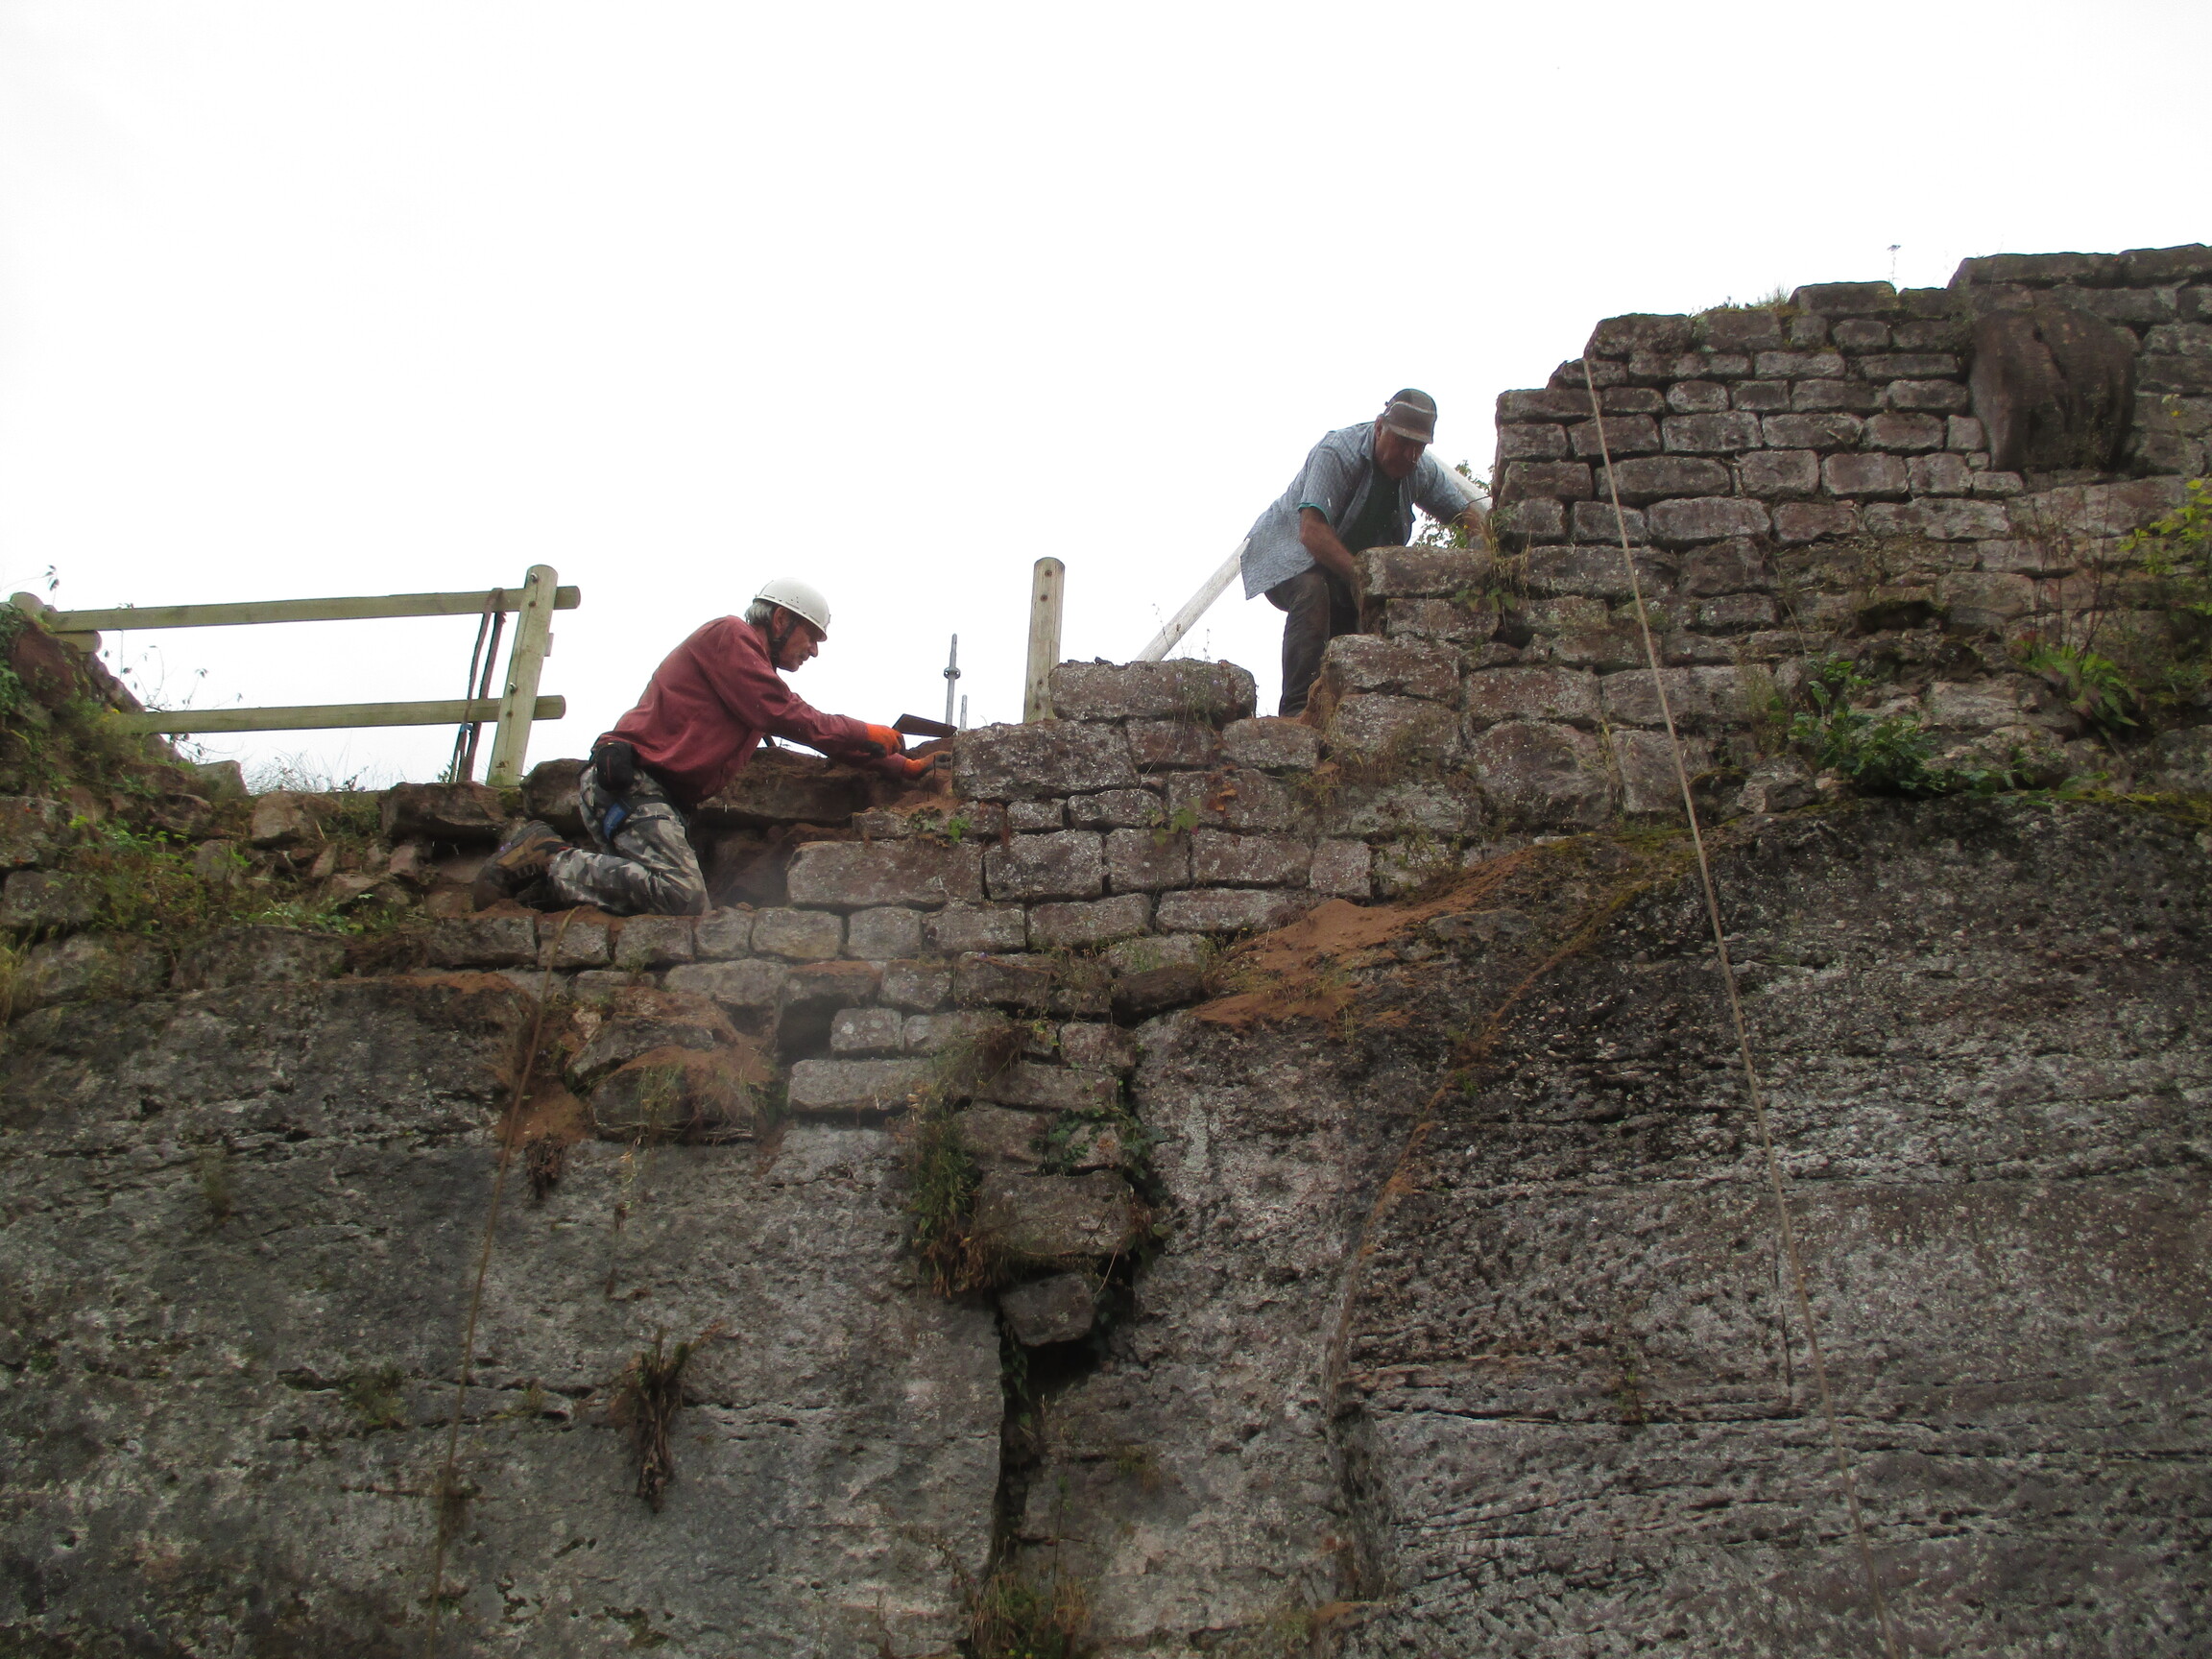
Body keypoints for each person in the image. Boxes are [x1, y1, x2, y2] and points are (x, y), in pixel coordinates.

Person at [473, 577, 928, 916]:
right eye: (810, 636)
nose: (813, 650)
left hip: (653, 803)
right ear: (781, 620)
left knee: (658, 894)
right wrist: (862, 731)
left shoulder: (752, 678)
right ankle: (548, 857)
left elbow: (810, 732)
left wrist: (900, 767)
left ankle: (534, 891)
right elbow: (792, 716)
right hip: (632, 788)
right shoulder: (729, 637)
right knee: (682, 896)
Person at [1239, 389, 1488, 718]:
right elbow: (1312, 531)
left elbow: (1467, 515)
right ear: (1380, 427)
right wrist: (1366, 580)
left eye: (1419, 446)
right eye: (1402, 442)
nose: (1410, 455)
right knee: (1312, 591)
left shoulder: (1421, 470)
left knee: (1360, 627)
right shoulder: (1337, 452)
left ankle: (1337, 713)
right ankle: (1295, 711)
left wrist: (1485, 549)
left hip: (1343, 572)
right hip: (1288, 554)